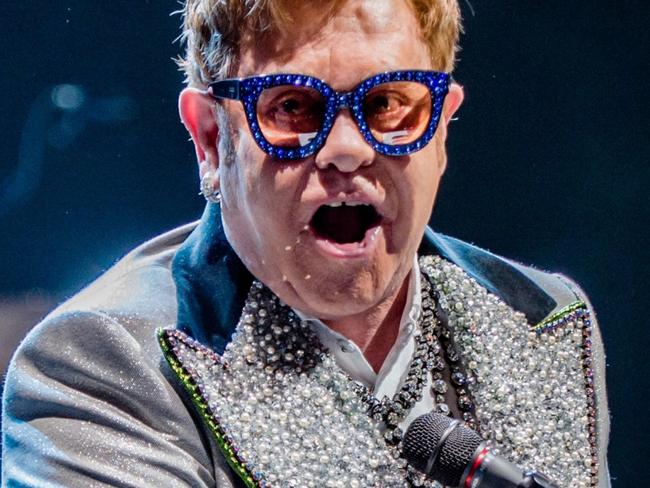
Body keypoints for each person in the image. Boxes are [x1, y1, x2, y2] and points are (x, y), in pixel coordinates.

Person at [1, 0, 610, 487]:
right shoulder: (99, 365)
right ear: (211, 140)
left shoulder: (544, 319)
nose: (348, 148)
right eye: (293, 106)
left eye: (388, 102)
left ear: (442, 126)